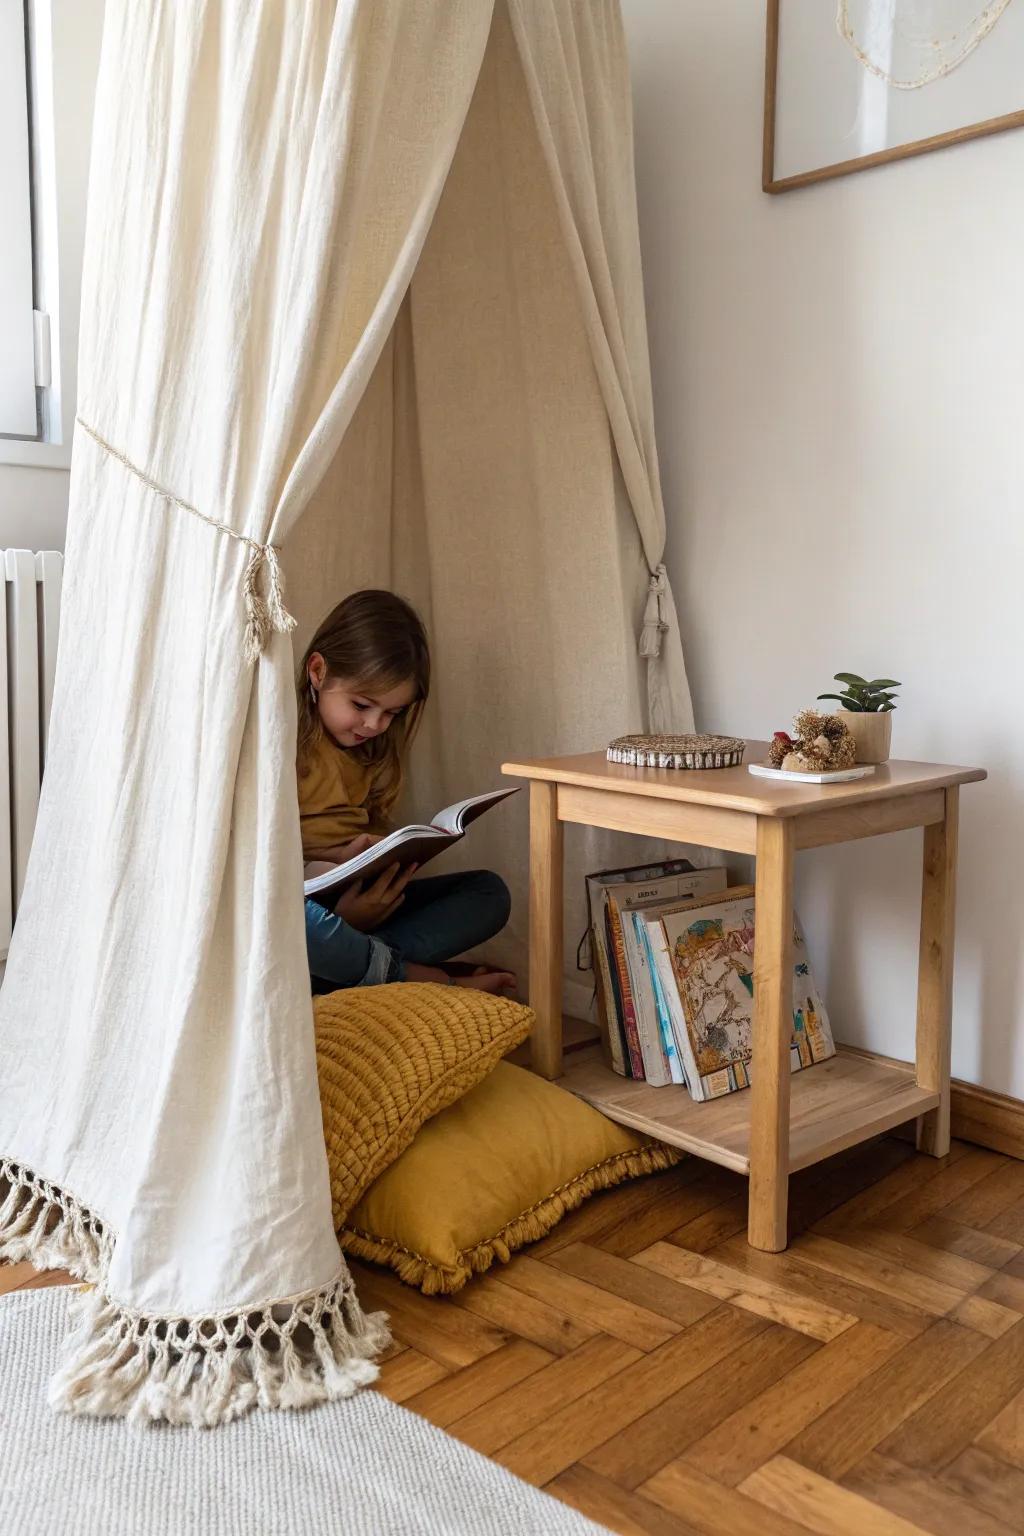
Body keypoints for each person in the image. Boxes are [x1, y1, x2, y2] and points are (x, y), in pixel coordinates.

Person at [297, 589, 514, 994]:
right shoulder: (286, 741)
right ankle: (420, 977)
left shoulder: (371, 753)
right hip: (310, 907)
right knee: (303, 926)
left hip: (358, 907)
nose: (375, 725)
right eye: (362, 705)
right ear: (318, 671)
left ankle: (353, 967)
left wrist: (384, 864)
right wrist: (337, 880)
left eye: (392, 713)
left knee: (488, 893)